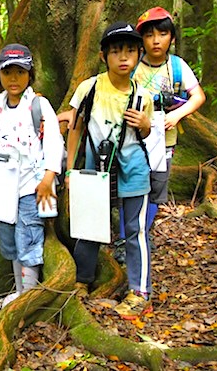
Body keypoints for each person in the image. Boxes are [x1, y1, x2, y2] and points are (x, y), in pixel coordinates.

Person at [66, 22, 154, 319]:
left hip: (134, 172)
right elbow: (74, 130)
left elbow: (145, 134)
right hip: (96, 172)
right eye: (116, 51)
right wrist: (69, 171)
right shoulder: (88, 88)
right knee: (88, 229)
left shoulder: (143, 95)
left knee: (135, 230)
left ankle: (139, 291)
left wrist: (144, 125)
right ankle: (82, 281)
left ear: (139, 54)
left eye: (130, 50)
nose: (124, 57)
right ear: (104, 56)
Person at [0, 44, 64, 312]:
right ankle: (19, 291)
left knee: (28, 236)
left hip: (31, 184)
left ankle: (28, 295)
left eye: (19, 72)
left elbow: (53, 141)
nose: (13, 79)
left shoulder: (38, 105)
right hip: (3, 187)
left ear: (30, 74)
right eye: (7, 73)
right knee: (8, 238)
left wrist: (49, 177)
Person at [132, 7, 206, 231]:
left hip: (165, 140)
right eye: (149, 35)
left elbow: (198, 96)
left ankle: (144, 232)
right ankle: (127, 237)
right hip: (133, 140)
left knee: (157, 187)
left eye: (162, 34)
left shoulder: (177, 66)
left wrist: (177, 114)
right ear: (141, 39)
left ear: (172, 38)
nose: (156, 41)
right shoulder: (133, 66)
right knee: (132, 186)